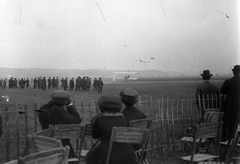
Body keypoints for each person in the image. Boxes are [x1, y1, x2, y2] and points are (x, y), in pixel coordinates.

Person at [85, 95, 136, 164]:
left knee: (89, 157)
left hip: (105, 155)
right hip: (127, 154)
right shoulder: (124, 118)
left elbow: (95, 135)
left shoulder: (99, 119)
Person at [37, 90, 82, 159]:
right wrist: (70, 105)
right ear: (66, 102)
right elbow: (78, 119)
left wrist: (52, 102)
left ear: (53, 101)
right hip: (66, 150)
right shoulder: (67, 118)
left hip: (48, 148)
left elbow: (41, 109)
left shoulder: (44, 114)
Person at [220, 65, 240, 139]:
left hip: (230, 106)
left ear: (233, 72)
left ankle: (230, 138)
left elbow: (222, 91)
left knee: (230, 122)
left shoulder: (228, 81)